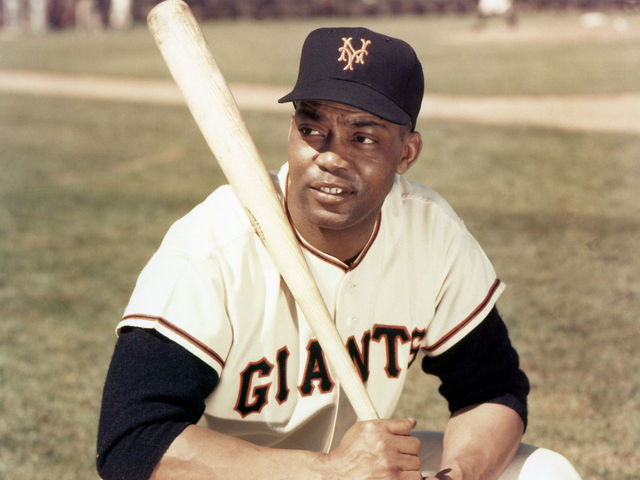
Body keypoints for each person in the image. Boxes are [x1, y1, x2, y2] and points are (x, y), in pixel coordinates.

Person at [96, 27, 581, 480]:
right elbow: (132, 440)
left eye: (362, 137)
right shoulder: (213, 247)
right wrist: (328, 471)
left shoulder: (430, 234)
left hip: (361, 469)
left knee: (546, 473)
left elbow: (492, 391)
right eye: (312, 130)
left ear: (406, 153)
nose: (330, 156)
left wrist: (455, 475)